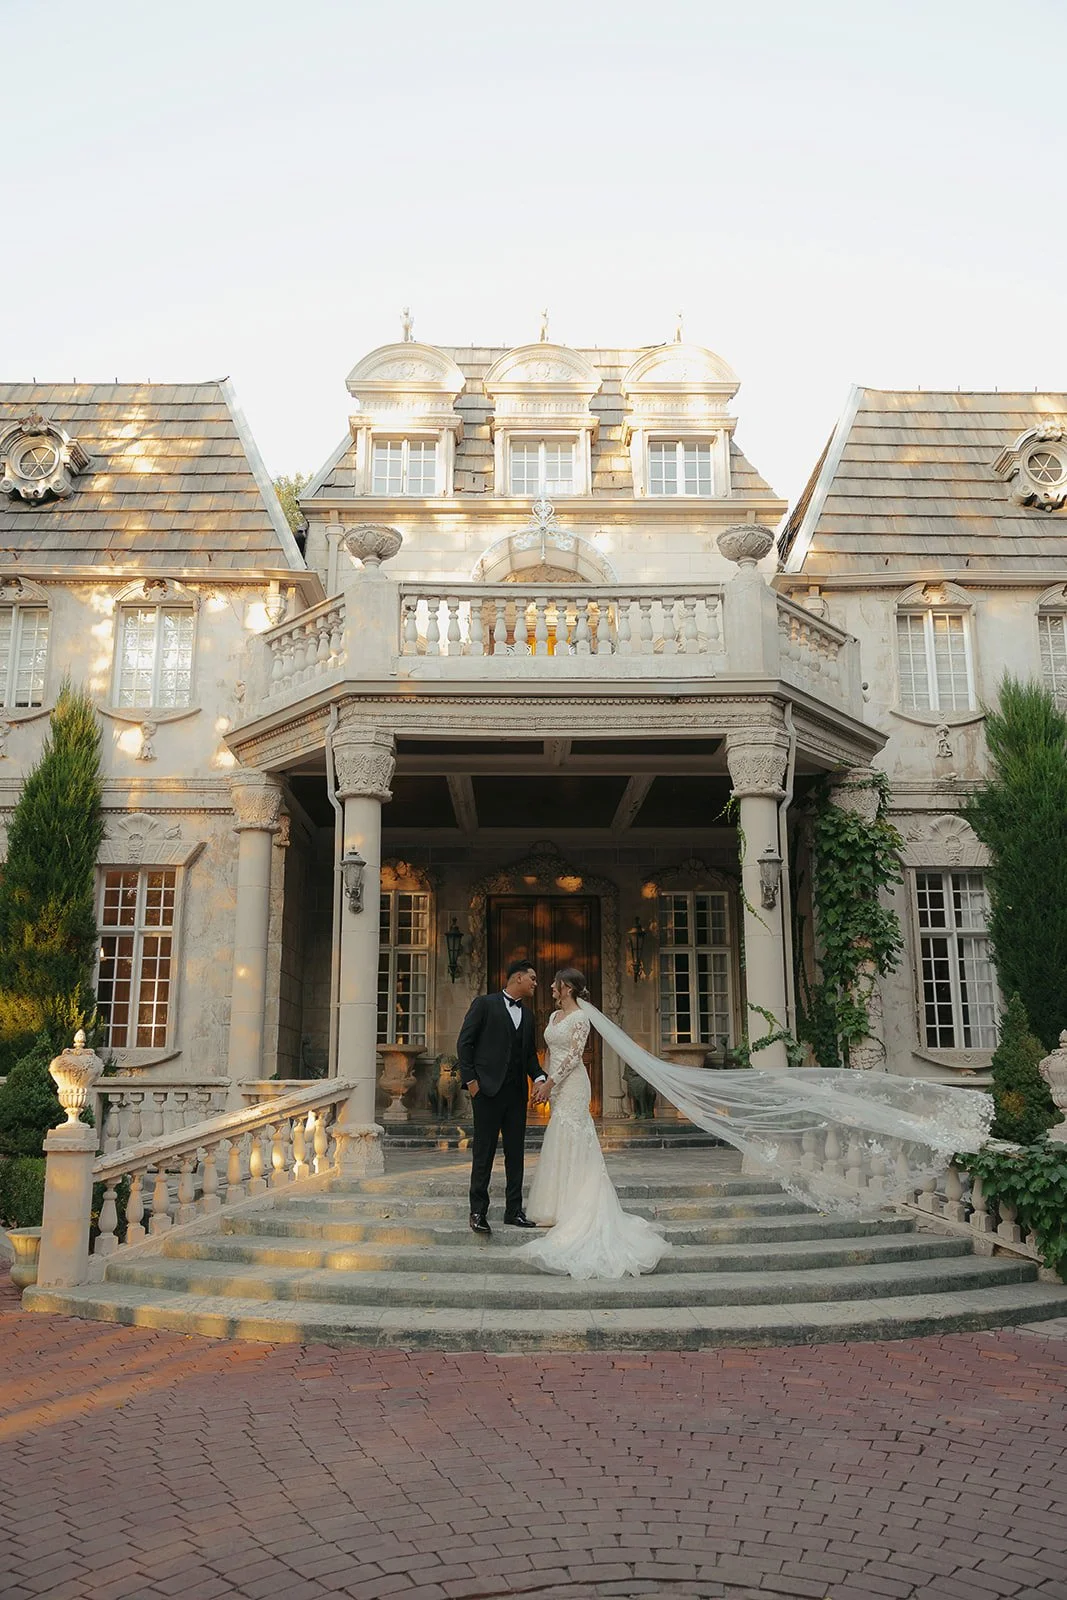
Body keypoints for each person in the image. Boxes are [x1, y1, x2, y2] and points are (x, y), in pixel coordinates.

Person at [520, 968, 672, 1280]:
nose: (549, 986)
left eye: (554, 982)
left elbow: (574, 1056)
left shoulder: (580, 1019)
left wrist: (551, 1084)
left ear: (567, 987)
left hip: (574, 1084)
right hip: (556, 1086)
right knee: (559, 1136)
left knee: (575, 1136)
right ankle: (556, 1205)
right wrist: (543, 1084)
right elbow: (551, 1053)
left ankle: (579, 1205)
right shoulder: (552, 1018)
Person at [456, 958, 547, 1236]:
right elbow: (464, 1043)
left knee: (515, 1153)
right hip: (486, 1092)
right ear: (517, 978)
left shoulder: (529, 1016)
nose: (535, 983)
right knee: (483, 1152)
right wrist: (472, 1082)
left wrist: (540, 1078)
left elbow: (529, 1055)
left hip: (516, 1094)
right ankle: (477, 1212)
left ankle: (513, 1211)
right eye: (531, 978)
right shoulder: (484, 1004)